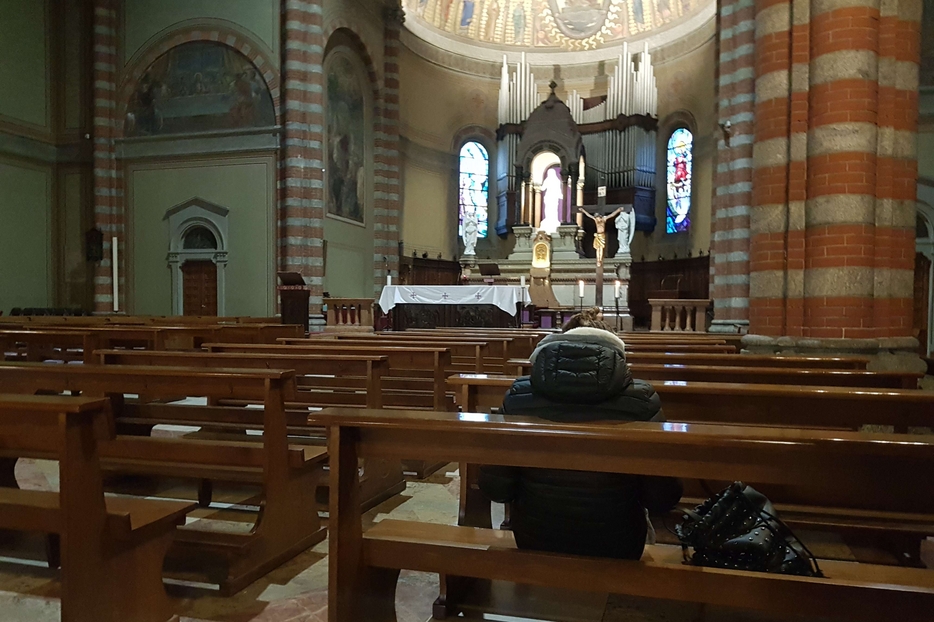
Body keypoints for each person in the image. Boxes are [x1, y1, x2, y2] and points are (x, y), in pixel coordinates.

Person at [478, 308, 683, 560]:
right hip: (619, 542)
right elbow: (662, 497)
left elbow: (496, 488)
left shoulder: (519, 397)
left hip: (535, 537)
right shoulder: (642, 400)